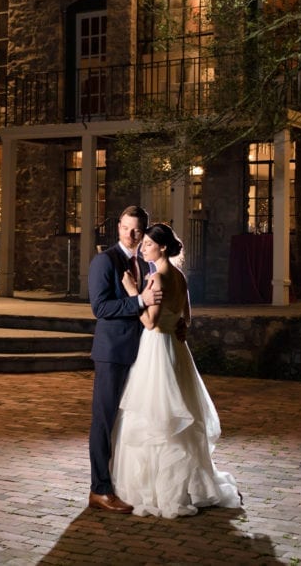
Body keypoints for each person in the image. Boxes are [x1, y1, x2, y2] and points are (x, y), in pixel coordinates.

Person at [111, 222, 242, 518]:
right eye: (142, 243)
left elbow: (150, 323)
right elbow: (188, 317)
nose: (143, 247)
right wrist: (178, 325)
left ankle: (159, 489)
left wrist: (133, 291)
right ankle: (184, 484)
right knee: (176, 412)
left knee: (157, 415)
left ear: (163, 247)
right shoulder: (180, 276)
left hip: (157, 348)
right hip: (176, 349)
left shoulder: (156, 278)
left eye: (147, 243)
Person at [87, 205, 163, 513]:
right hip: (112, 353)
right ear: (118, 227)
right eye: (126, 228)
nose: (131, 235)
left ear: (144, 231)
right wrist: (138, 301)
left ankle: (126, 482)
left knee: (131, 421)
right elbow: (100, 308)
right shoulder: (105, 261)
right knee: (104, 421)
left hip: (142, 353)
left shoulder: (147, 262)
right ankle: (99, 490)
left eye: (137, 230)